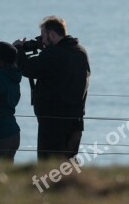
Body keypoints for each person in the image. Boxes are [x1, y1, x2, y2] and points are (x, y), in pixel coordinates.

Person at [14, 16, 90, 160]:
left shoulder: (53, 54)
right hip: (76, 119)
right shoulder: (81, 52)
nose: (42, 41)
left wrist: (18, 49)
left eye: (43, 36)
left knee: (48, 166)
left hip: (53, 122)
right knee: (68, 165)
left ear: (52, 34)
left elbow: (29, 69)